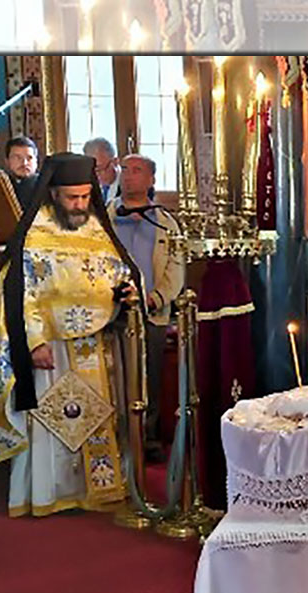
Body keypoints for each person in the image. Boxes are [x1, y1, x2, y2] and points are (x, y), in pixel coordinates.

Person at [0, 153, 143, 518]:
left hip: (96, 343)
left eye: (85, 196)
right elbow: (19, 293)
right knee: (53, 418)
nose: (79, 204)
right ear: (53, 194)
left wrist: (127, 291)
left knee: (97, 415)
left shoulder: (98, 230)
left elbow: (121, 273)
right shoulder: (34, 235)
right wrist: (33, 342)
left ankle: (99, 489)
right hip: (52, 347)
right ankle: (50, 492)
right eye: (72, 197)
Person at [108, 154, 182, 462]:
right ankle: (115, 439)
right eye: (125, 169)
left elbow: (176, 267)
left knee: (150, 376)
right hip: (112, 313)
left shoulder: (164, 222)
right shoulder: (105, 217)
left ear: (151, 179)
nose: (128, 175)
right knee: (114, 377)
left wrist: (156, 298)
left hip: (152, 313)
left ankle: (147, 438)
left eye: (137, 170)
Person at [4, 136, 40, 209]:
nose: (24, 163)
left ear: (36, 161)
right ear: (7, 161)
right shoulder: (1, 187)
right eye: (17, 158)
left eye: (29, 158)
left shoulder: (48, 187)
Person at [84, 138, 121, 203]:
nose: (96, 175)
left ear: (115, 162)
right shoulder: (86, 186)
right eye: (92, 170)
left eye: (99, 169)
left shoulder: (127, 183)